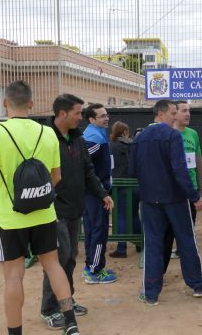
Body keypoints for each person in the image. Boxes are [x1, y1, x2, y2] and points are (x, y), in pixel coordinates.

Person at [0, 80, 80, 335]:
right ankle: (70, 322)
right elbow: (57, 177)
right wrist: (36, 191)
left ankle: (15, 332)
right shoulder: (47, 132)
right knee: (53, 266)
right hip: (45, 214)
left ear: (5, 103)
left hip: (10, 218)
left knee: (14, 276)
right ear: (31, 103)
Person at [40, 94, 113, 330]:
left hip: (74, 209)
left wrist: (102, 193)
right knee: (58, 260)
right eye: (77, 113)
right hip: (52, 210)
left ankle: (66, 301)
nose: (81, 118)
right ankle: (50, 309)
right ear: (62, 113)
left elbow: (88, 172)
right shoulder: (44, 138)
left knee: (70, 258)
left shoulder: (78, 139)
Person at [129, 99, 202, 306]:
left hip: (149, 200)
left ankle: (151, 293)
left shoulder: (139, 138)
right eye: (173, 113)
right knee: (186, 240)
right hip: (175, 199)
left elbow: (133, 170)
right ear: (161, 114)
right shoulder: (172, 135)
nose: (175, 117)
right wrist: (194, 196)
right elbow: (180, 170)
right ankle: (197, 284)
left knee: (153, 244)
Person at [165, 101, 202, 263]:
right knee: (169, 229)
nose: (188, 114)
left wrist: (200, 191)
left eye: (189, 111)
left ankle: (184, 252)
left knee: (188, 227)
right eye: (184, 111)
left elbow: (198, 162)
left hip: (191, 189)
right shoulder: (167, 133)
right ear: (174, 113)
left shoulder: (193, 134)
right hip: (171, 191)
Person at [81, 103, 117, 284]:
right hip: (95, 194)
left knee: (92, 230)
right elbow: (83, 163)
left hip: (93, 192)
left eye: (107, 114)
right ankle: (95, 270)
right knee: (98, 231)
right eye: (102, 116)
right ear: (92, 119)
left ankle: (91, 266)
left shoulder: (96, 135)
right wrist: (101, 191)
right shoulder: (94, 138)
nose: (107, 118)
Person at [109, 120, 141, 258]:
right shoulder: (133, 145)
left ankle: (121, 249)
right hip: (134, 184)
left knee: (120, 216)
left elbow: (109, 166)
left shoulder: (111, 146)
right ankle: (140, 244)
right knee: (134, 214)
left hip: (118, 185)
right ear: (125, 132)